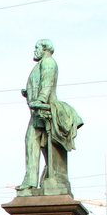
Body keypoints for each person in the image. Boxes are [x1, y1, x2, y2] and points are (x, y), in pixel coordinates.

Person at [18, 39, 83, 196]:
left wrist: (40, 101)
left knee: (33, 142)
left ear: (45, 48)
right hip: (38, 111)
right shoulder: (42, 64)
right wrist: (28, 93)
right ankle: (42, 179)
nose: (35, 50)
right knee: (41, 145)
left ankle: (34, 182)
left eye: (37, 47)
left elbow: (47, 84)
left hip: (43, 110)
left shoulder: (48, 62)